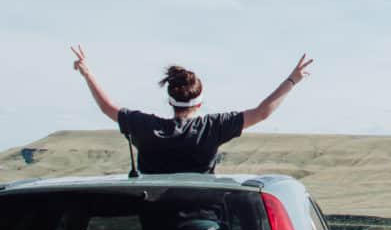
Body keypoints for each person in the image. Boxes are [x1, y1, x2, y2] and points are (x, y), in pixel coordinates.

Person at [70, 45, 314, 174]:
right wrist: (292, 80)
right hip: (203, 221)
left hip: (155, 223)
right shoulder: (212, 128)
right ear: (199, 102)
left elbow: (107, 107)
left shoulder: (145, 128)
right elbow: (262, 112)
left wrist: (87, 73)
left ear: (170, 100)